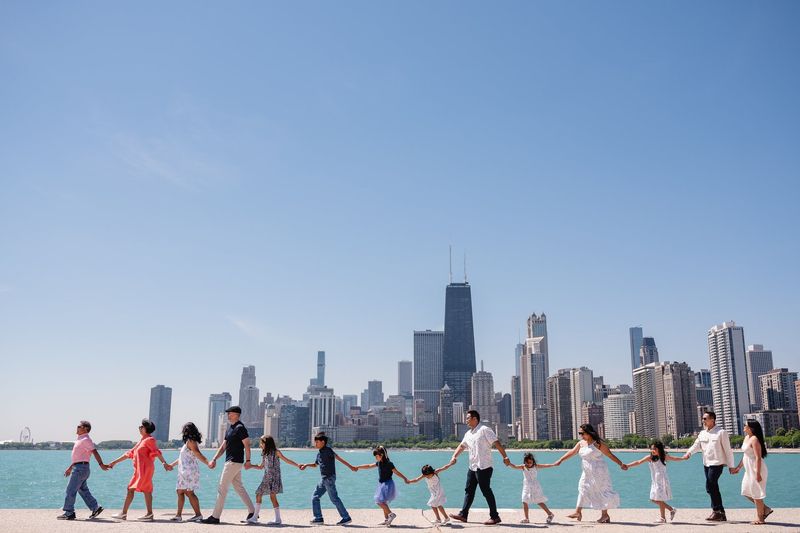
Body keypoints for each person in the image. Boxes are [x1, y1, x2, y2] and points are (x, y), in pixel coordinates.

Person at [448, 410, 512, 526]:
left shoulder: (484, 430)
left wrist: (505, 457)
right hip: (472, 467)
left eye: (468, 418)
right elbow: (462, 446)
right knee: (469, 491)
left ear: (475, 419)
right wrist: (454, 456)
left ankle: (495, 517)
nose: (466, 420)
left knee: (486, 491)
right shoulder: (468, 434)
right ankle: (463, 514)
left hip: (484, 467)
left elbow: (496, 443)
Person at [554, 423, 627, 524]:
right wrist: (561, 460)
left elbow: (610, 455)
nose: (580, 435)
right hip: (587, 471)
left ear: (588, 432)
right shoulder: (581, 443)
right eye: (579, 433)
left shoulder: (598, 443)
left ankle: (604, 515)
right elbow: (572, 452)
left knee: (601, 491)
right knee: (582, 487)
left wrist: (621, 464)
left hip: (599, 472)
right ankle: (578, 512)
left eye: (582, 433)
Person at [107, 419, 172, 521]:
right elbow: (129, 453)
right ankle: (125, 513)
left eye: (141, 427)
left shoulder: (149, 440)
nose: (139, 428)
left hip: (145, 469)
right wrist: (114, 462)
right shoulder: (142, 441)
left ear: (146, 428)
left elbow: (156, 452)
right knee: (132, 489)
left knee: (144, 490)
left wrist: (164, 463)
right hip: (139, 470)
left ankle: (147, 514)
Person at [202, 406, 256, 524]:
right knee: (238, 487)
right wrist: (214, 458)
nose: (228, 415)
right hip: (232, 462)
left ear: (236, 414)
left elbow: (247, 444)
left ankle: (215, 517)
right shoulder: (230, 428)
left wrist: (248, 461)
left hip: (234, 462)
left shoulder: (240, 428)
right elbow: (223, 446)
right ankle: (253, 511)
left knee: (222, 488)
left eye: (230, 413)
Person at [682, 411, 735, 522]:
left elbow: (728, 450)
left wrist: (731, 466)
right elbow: (696, 446)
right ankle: (720, 513)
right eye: (703, 418)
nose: (703, 421)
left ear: (712, 420)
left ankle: (716, 511)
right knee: (712, 487)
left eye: (705, 418)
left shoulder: (721, 432)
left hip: (717, 464)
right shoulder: (702, 433)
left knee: (710, 485)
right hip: (706, 464)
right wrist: (688, 453)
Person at [298, 432, 356, 526]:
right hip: (324, 479)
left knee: (334, 499)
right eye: (315, 442)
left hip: (329, 478)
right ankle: (318, 518)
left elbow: (339, 458)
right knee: (315, 497)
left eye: (317, 442)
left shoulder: (328, 450)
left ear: (323, 442)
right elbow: (315, 464)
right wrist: (306, 465)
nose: (315, 444)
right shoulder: (319, 453)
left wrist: (351, 467)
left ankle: (346, 517)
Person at [57, 420, 109, 520]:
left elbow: (95, 452)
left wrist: (101, 464)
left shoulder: (85, 440)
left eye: (79, 426)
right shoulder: (81, 440)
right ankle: (95, 507)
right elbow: (78, 457)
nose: (77, 427)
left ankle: (69, 512)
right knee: (82, 490)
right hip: (80, 467)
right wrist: (70, 467)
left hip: (81, 469)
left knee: (70, 490)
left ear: (85, 429)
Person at [625, 440, 685, 523]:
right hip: (655, 481)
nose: (652, 450)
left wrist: (683, 458)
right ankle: (668, 513)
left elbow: (675, 458)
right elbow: (638, 462)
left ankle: (666, 515)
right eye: (651, 449)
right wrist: (628, 465)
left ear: (659, 449)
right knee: (655, 499)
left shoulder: (664, 456)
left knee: (657, 499)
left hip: (662, 480)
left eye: (654, 449)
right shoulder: (649, 458)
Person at [246, 435, 302, 525]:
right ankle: (255, 517)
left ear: (266, 443)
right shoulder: (264, 453)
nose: (260, 444)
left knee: (272, 497)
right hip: (266, 478)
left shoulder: (276, 452)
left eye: (262, 443)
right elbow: (261, 466)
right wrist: (251, 466)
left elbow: (287, 460)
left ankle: (277, 519)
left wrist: (297, 465)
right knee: (258, 494)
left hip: (274, 478)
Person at [352, 446, 410, 526]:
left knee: (379, 501)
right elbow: (369, 466)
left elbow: (396, 472)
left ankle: (391, 515)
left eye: (376, 456)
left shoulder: (389, 464)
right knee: (384, 502)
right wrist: (358, 467)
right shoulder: (379, 463)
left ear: (382, 455)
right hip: (382, 484)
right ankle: (387, 520)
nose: (376, 458)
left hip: (387, 484)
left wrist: (405, 478)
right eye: (375, 456)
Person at [731, 419, 772, 525]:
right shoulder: (746, 438)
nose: (744, 426)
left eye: (746, 425)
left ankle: (760, 519)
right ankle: (765, 509)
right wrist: (738, 468)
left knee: (757, 494)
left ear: (751, 428)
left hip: (756, 469)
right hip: (748, 469)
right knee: (745, 491)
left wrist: (758, 474)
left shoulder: (754, 439)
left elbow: (758, 458)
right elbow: (746, 455)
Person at [168, 422, 210, 523]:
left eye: (185, 429)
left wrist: (208, 462)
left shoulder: (191, 441)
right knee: (180, 491)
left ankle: (198, 515)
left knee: (189, 492)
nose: (184, 431)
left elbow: (197, 454)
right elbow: (182, 458)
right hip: (184, 471)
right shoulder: (187, 442)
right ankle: (179, 515)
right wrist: (171, 465)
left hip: (189, 472)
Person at [506, 452, 556, 524]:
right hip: (526, 486)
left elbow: (545, 465)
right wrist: (509, 463)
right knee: (524, 501)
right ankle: (527, 518)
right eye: (527, 462)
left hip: (535, 486)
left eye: (530, 462)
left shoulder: (536, 466)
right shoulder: (523, 467)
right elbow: (515, 467)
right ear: (525, 462)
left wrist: (554, 464)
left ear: (533, 461)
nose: (529, 464)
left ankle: (550, 514)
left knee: (539, 501)